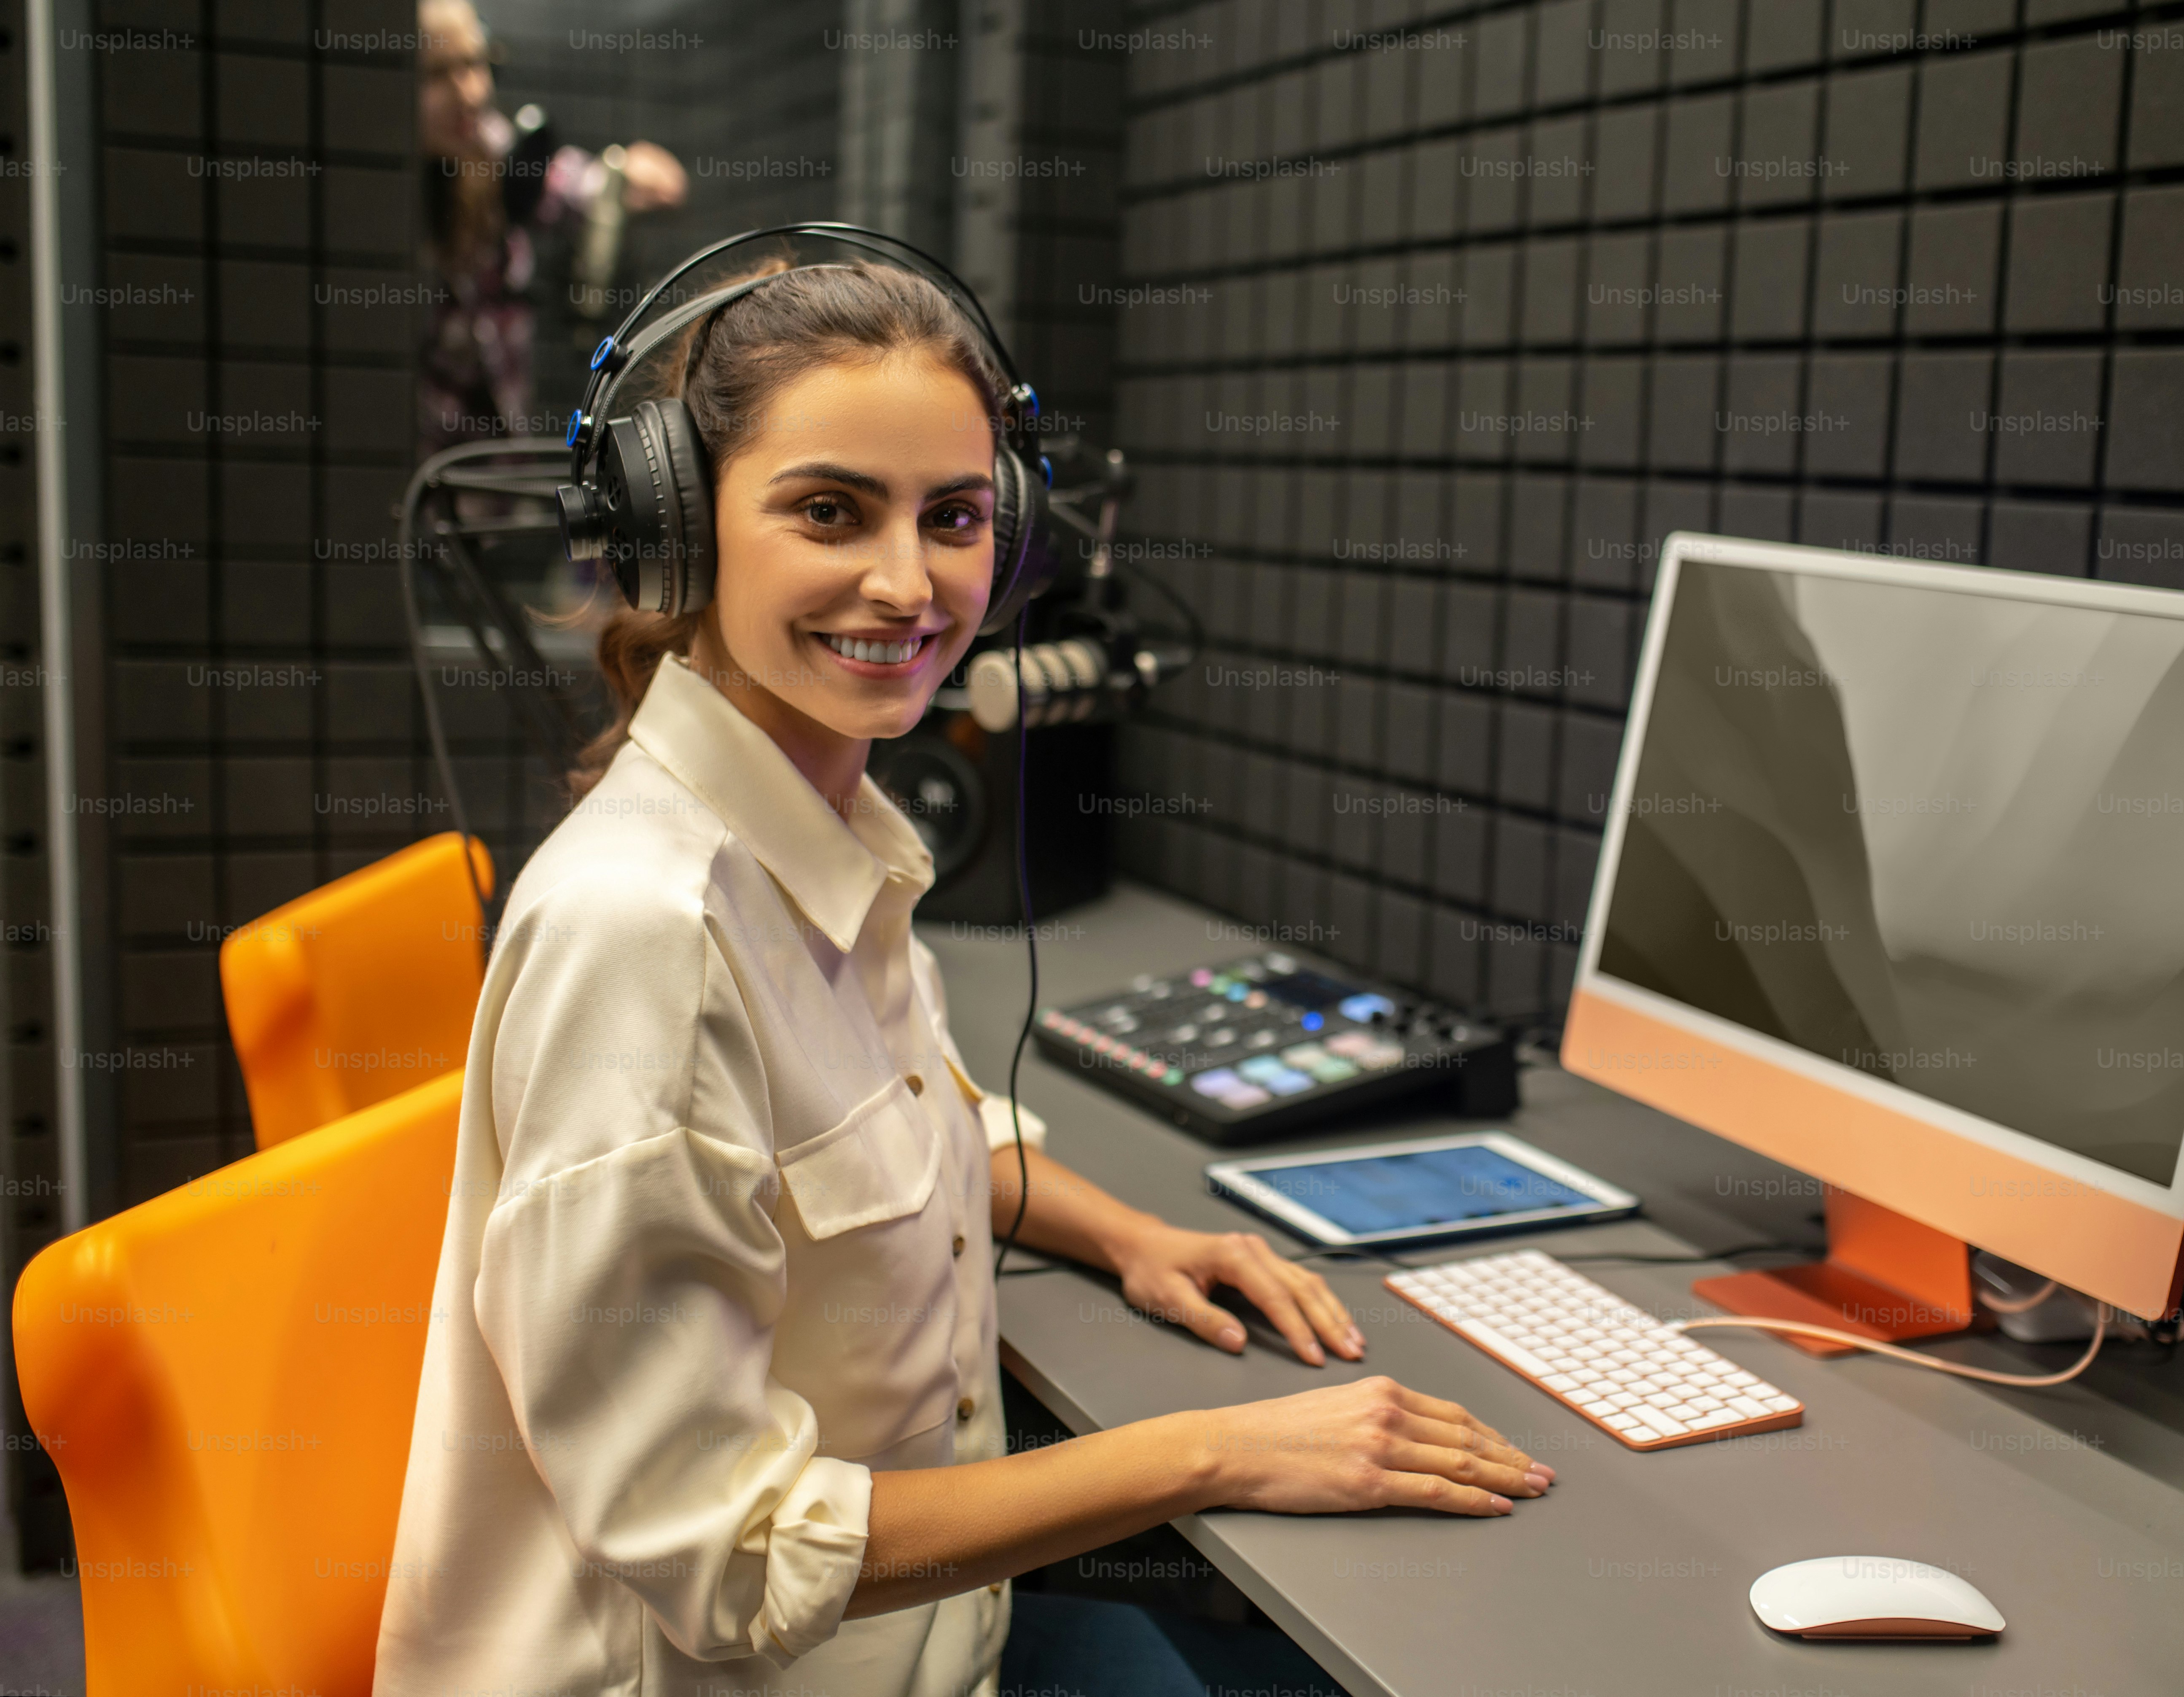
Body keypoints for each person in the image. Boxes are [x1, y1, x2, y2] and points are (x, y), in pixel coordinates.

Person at [371, 259, 1553, 1697]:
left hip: (933, 1644)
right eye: (827, 510)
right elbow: (731, 1554)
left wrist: (1129, 1233)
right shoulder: (648, 936)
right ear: (676, 535)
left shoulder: (829, 836)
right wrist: (1215, 1449)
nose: (903, 580)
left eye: (953, 518)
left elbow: (893, 1131)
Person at [417, 0, 687, 452]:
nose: (470, 93)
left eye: (475, 63)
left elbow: (575, 186)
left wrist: (622, 175)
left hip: (492, 478)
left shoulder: (494, 151)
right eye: (440, 73)